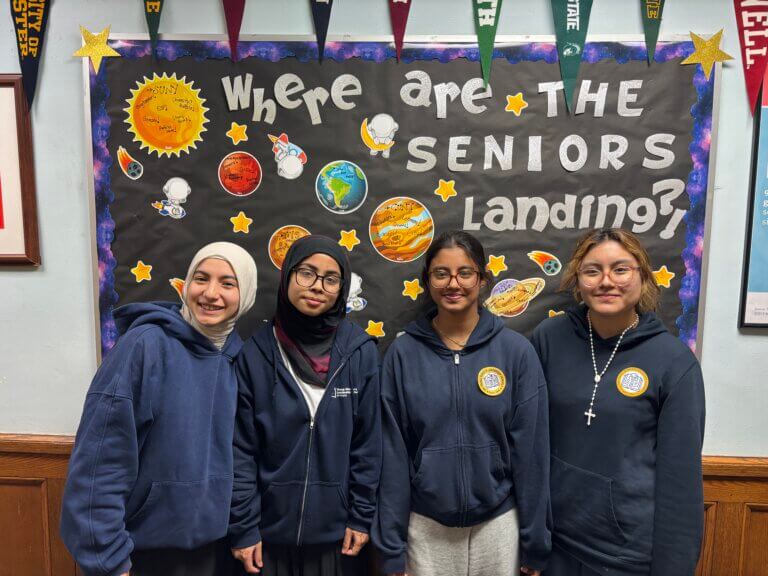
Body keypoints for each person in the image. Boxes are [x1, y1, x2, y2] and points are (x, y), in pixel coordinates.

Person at [61, 242, 258, 576]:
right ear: (186, 284)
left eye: (228, 283)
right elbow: (101, 462)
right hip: (140, 554)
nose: (211, 293)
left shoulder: (238, 360)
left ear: (248, 293)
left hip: (214, 552)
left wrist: (245, 529)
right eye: (201, 279)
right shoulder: (144, 346)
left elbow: (241, 457)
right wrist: (108, 559)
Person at [374, 230, 551, 576]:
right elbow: (392, 456)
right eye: (441, 273)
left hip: (498, 525)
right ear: (427, 281)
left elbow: (532, 454)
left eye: (465, 272)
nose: (453, 283)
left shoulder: (516, 353)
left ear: (482, 280)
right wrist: (392, 548)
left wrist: (535, 542)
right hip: (425, 526)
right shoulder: (403, 355)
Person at [531, 228, 705, 576]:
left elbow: (681, 484)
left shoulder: (673, 363)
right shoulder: (548, 340)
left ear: (642, 276)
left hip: (626, 557)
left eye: (621, 269)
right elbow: (527, 443)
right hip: (554, 548)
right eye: (593, 270)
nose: (606, 281)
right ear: (578, 281)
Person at [229, 235, 381, 576]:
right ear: (287, 278)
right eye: (306, 273)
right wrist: (244, 525)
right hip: (265, 540)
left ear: (342, 288)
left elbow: (368, 446)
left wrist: (360, 515)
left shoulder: (360, 353)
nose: (317, 287)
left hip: (337, 538)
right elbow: (241, 451)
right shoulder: (256, 354)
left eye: (330, 278)